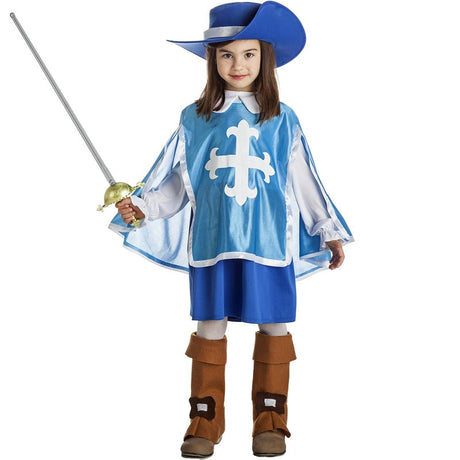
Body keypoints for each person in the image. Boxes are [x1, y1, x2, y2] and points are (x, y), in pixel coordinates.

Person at [111, 1, 353, 457]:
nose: (237, 64)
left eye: (248, 54)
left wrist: (327, 229)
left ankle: (271, 418)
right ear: (212, 59)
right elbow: (179, 184)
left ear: (265, 58)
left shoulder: (282, 118)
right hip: (213, 242)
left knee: (275, 324)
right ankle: (205, 418)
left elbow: (303, 179)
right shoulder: (195, 118)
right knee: (210, 325)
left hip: (269, 242)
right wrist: (142, 206)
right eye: (226, 54)